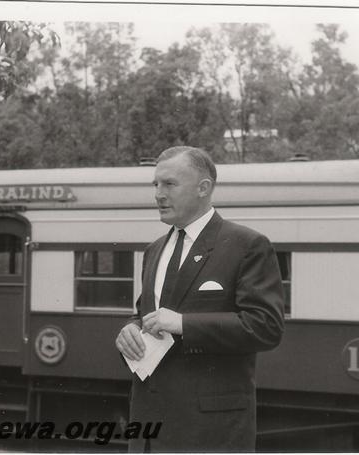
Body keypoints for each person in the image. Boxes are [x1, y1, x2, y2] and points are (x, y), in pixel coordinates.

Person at [116, 146, 285, 452]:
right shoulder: (154, 250)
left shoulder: (247, 245)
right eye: (155, 184)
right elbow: (146, 314)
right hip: (148, 431)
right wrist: (130, 328)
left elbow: (266, 326)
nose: (158, 194)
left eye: (169, 184)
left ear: (203, 188)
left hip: (210, 433)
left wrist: (184, 324)